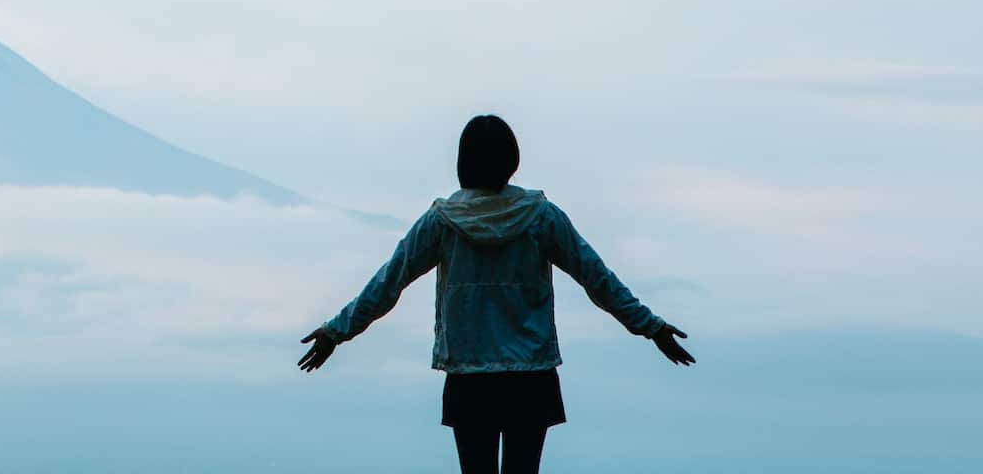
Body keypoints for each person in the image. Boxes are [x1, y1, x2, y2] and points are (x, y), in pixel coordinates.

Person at [297, 114, 694, 474]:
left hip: (469, 376)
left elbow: (389, 282)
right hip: (531, 375)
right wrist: (651, 326)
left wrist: (337, 331)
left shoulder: (442, 221)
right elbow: (597, 278)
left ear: (463, 161)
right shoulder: (542, 217)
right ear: (511, 160)